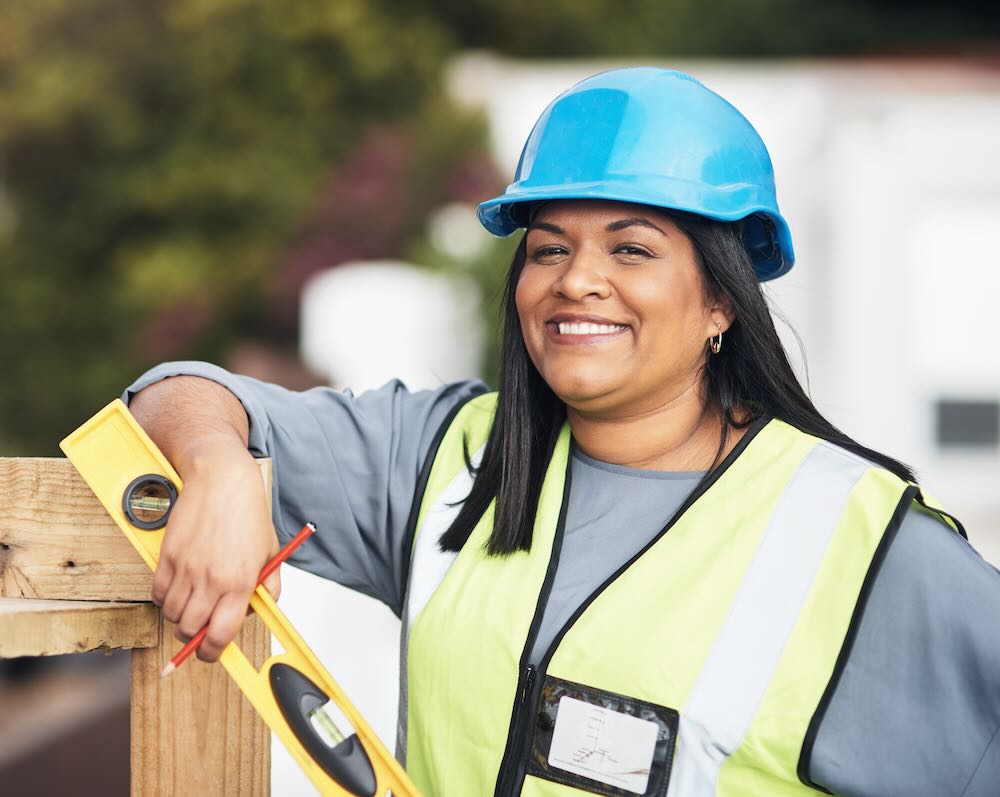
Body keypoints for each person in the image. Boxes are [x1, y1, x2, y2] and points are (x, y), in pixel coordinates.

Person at [125, 68, 1000, 797]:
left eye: (631, 249)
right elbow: (174, 394)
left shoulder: (860, 542)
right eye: (548, 249)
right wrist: (223, 464)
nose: (577, 279)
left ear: (721, 300)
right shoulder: (448, 456)